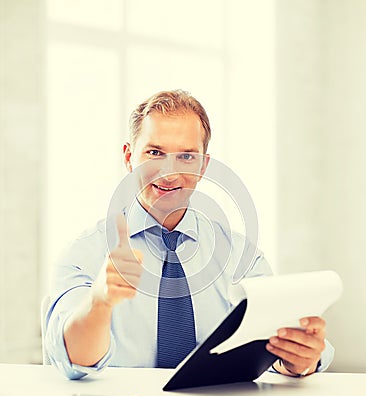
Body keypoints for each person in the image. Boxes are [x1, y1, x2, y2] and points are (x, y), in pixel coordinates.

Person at [45, 89, 334, 380]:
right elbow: (74, 359)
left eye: (186, 156)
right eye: (155, 153)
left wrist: (297, 359)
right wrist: (100, 303)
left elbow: (274, 341)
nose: (169, 174)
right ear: (129, 157)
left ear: (203, 165)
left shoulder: (241, 257)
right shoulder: (83, 255)